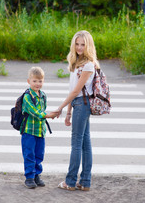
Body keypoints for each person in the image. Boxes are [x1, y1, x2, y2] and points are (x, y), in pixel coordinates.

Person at [57, 30, 100, 191]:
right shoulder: (77, 63)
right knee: (85, 143)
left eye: (83, 44)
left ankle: (70, 181)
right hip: (78, 104)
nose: (79, 47)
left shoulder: (88, 64)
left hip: (82, 105)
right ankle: (85, 182)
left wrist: (60, 108)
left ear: (88, 46)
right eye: (77, 44)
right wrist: (68, 112)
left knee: (76, 144)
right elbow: (72, 90)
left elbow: (76, 92)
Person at [20, 66, 58, 189]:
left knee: (39, 154)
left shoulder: (43, 95)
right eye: (35, 81)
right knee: (29, 154)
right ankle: (29, 177)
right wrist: (48, 115)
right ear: (29, 81)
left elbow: (43, 109)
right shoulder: (27, 97)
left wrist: (47, 115)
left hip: (40, 131)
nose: (37, 84)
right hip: (29, 131)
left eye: (40, 81)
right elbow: (35, 112)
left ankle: (36, 175)